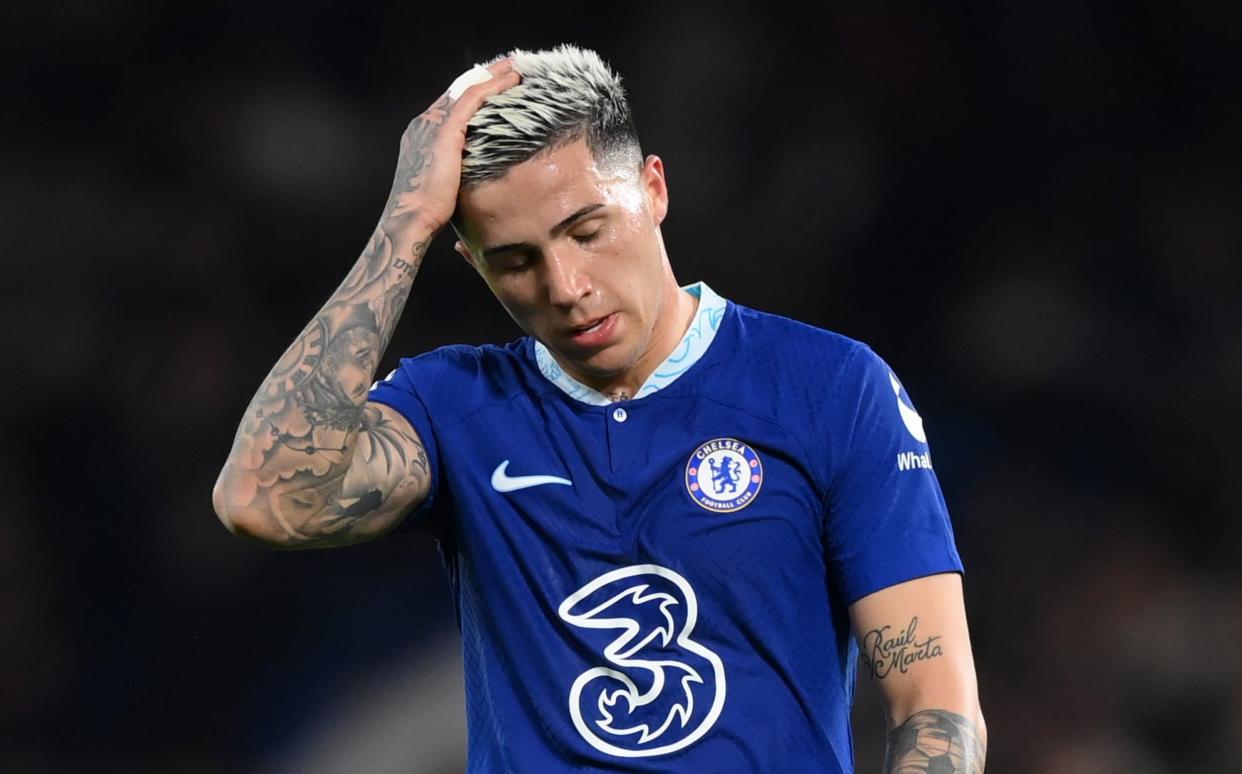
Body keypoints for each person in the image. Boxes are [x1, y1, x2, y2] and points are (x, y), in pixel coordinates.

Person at [213, 44, 987, 773]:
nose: (565, 286)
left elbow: (935, 705)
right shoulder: (455, 406)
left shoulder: (829, 387)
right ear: (470, 261)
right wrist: (405, 223)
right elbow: (264, 499)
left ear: (653, 189)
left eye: (586, 231)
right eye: (514, 261)